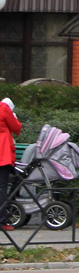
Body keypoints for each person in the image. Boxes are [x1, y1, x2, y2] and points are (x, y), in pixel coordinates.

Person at [0, 97, 21, 231]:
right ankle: (1, 220)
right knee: (2, 188)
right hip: (2, 154)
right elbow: (16, 128)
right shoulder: (3, 108)